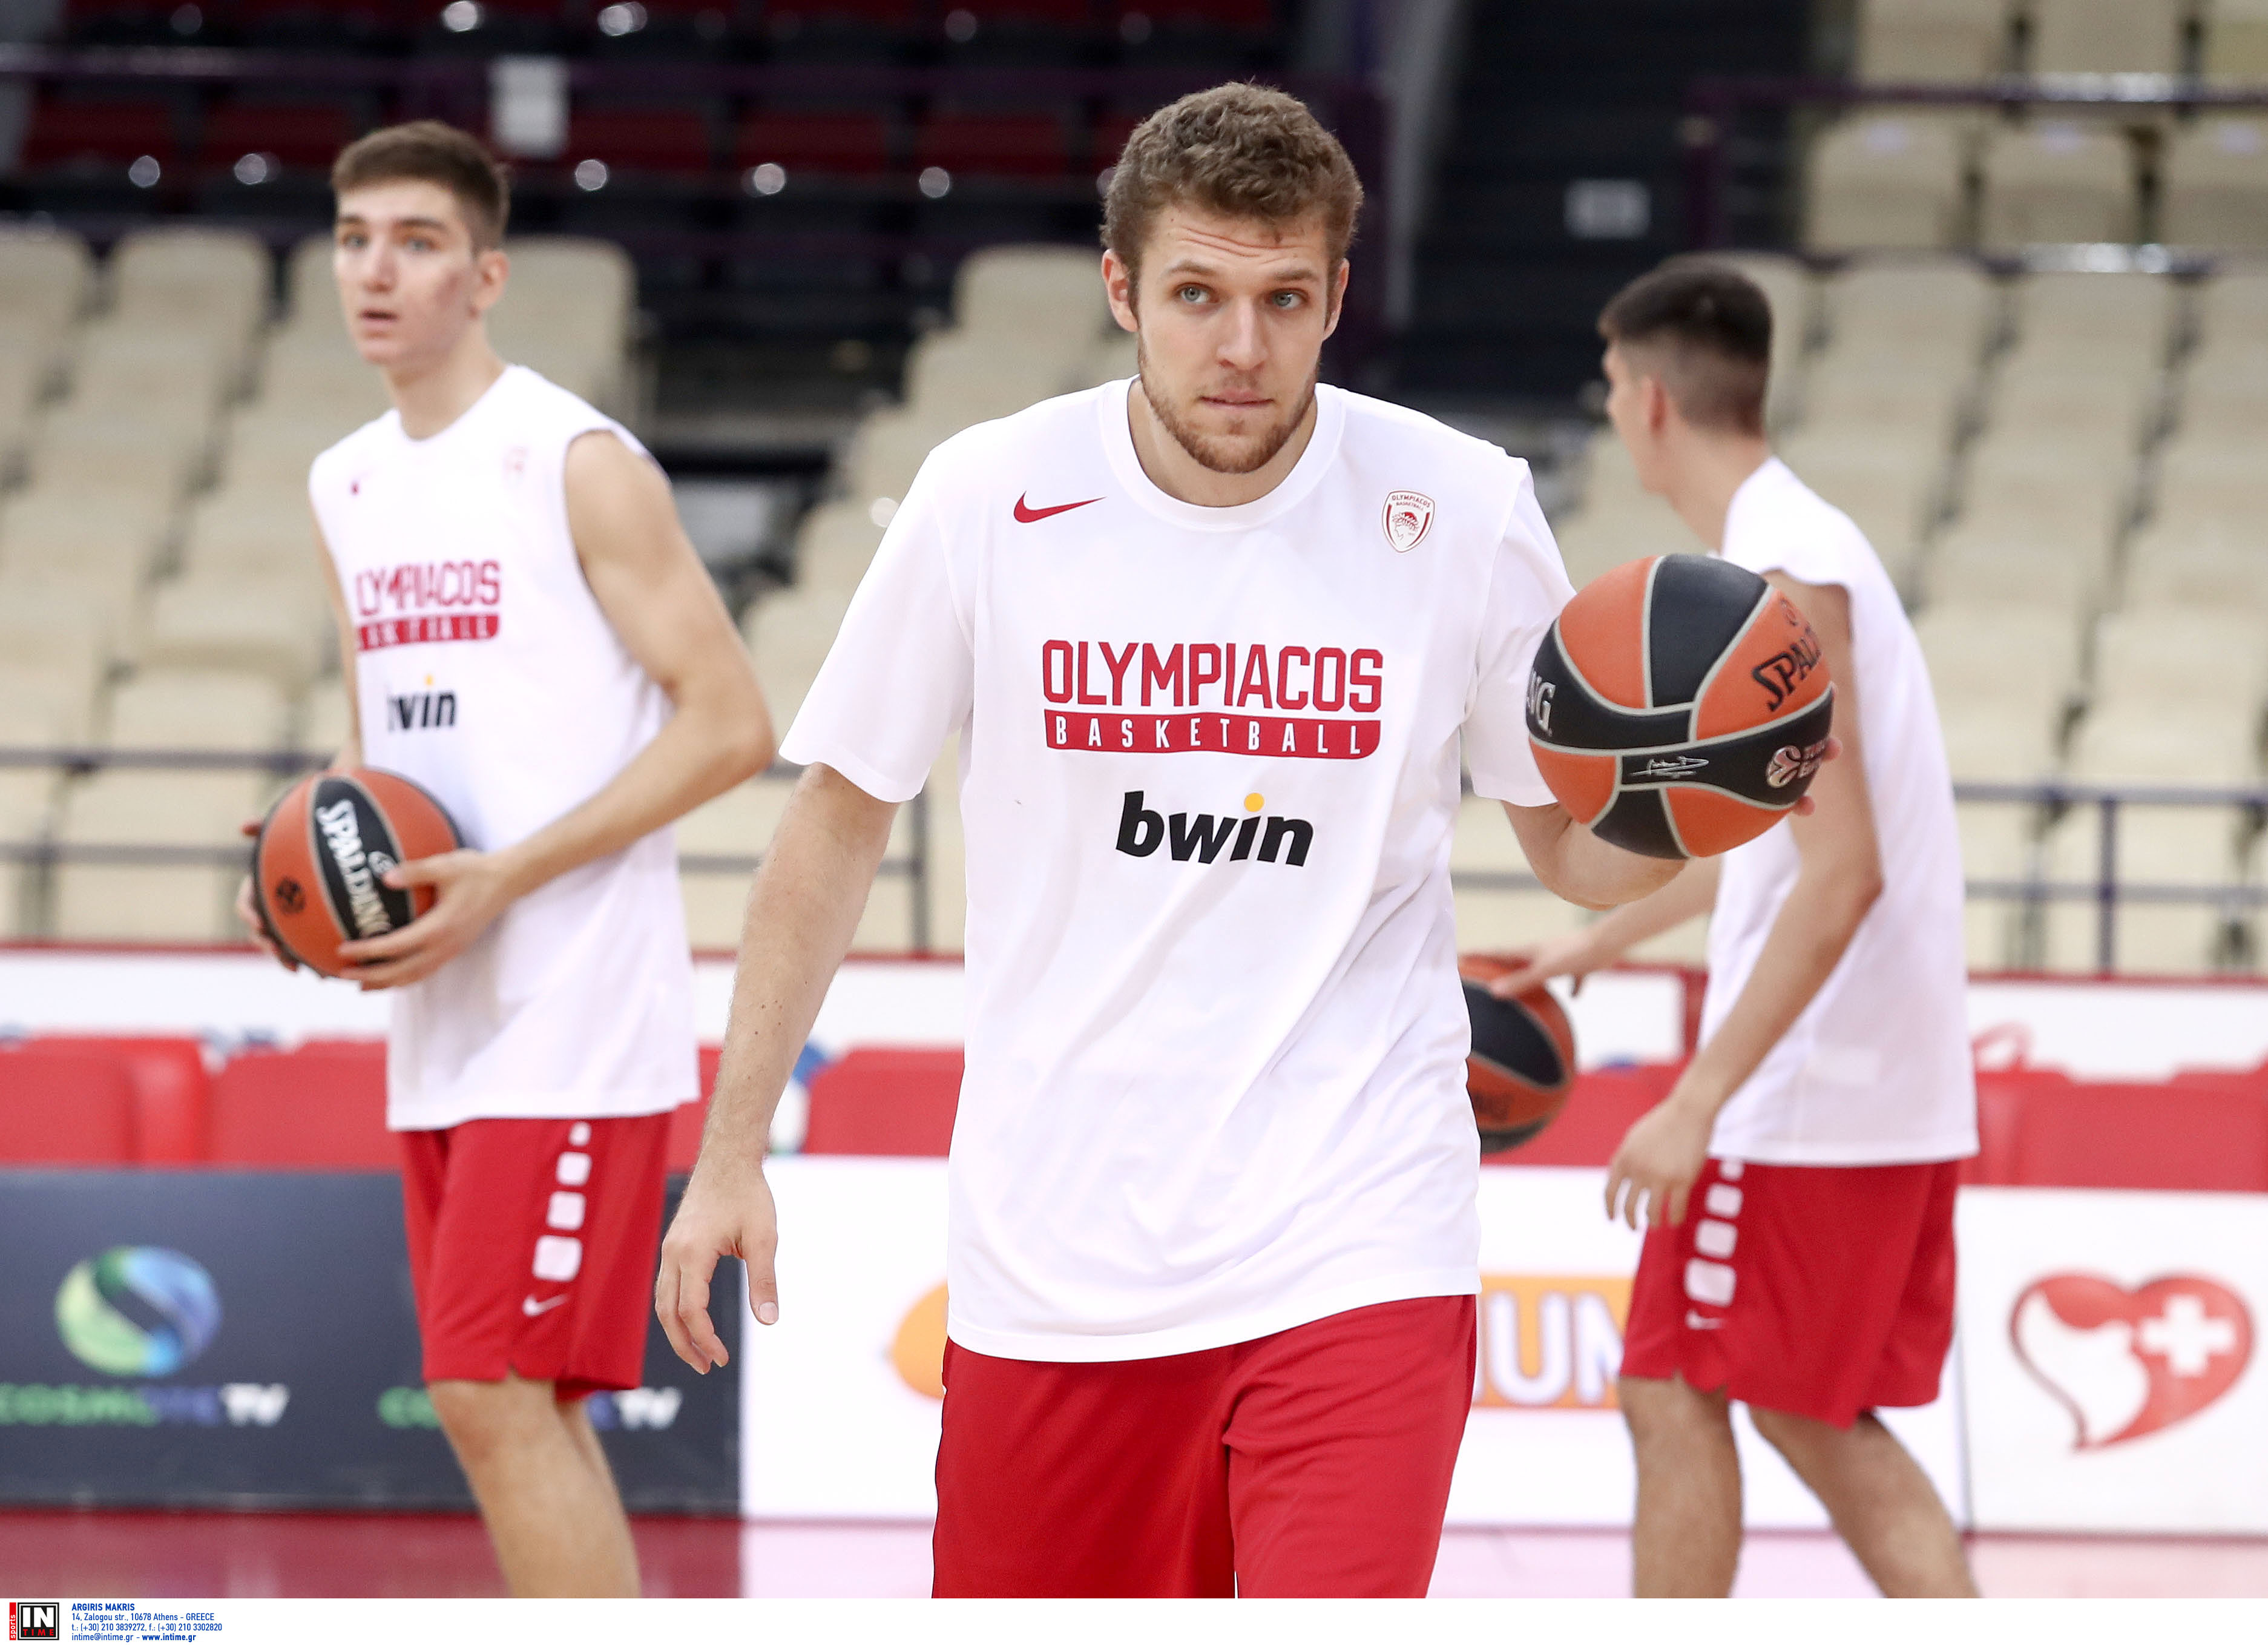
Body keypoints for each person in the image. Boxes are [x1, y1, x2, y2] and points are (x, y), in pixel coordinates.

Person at [654, 82, 1679, 1598]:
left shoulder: (1460, 508)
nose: (1241, 346)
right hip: (1054, 1257)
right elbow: (838, 818)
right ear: (1123, 290)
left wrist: (1699, 802)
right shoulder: (988, 495)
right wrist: (730, 1149)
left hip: (1356, 1233)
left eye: (1283, 299)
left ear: (1337, 297)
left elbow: (1568, 848)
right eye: (1198, 295)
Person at [235, 121, 775, 1597]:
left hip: (573, 1009)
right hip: (442, 1011)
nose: (376, 270)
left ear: (484, 276)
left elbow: (731, 722)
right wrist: (304, 868)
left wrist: (510, 874)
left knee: (483, 1390)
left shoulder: (573, 459)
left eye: (415, 242)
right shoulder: (345, 482)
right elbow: (383, 747)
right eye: (354, 239)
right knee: (516, 1404)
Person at [1494, 259, 1979, 1598]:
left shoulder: (1781, 582)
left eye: (1610, 386)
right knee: (1797, 1411)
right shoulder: (1800, 551)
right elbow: (1775, 841)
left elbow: (1844, 872)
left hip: (1809, 1096)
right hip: (1865, 1083)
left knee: (1676, 1386)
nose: (1610, 411)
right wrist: (1595, 945)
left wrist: (1698, 1099)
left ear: (1651, 400)